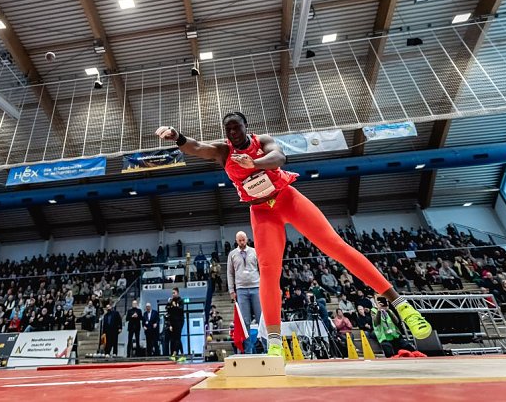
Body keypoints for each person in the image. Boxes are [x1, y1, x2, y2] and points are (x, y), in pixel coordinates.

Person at [156, 113, 432, 358]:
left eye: (236, 128)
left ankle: (403, 306)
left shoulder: (262, 141)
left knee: (336, 247)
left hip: (288, 198)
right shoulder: (223, 151)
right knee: (268, 270)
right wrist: (176, 136)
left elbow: (279, 157)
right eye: (228, 130)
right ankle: (274, 341)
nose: (232, 134)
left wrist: (254, 162)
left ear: (246, 127)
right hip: (262, 212)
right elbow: (197, 148)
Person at [226, 230, 262, 353]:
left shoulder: (254, 251)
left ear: (247, 239)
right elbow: (230, 274)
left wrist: (263, 285)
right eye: (239, 240)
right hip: (241, 290)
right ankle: (248, 351)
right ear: (236, 241)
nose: (242, 242)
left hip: (256, 287)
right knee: (245, 321)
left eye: (243, 240)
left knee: (260, 318)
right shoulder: (232, 254)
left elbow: (261, 268)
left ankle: (267, 347)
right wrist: (231, 290)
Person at [166, 287, 185, 361]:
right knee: (176, 338)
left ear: (177, 293)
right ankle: (182, 354)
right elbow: (168, 310)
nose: (173, 294)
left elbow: (181, 309)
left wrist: (175, 306)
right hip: (173, 321)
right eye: (172, 293)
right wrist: (170, 324)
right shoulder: (171, 301)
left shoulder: (181, 300)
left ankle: (174, 353)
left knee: (177, 337)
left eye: (174, 293)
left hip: (179, 321)